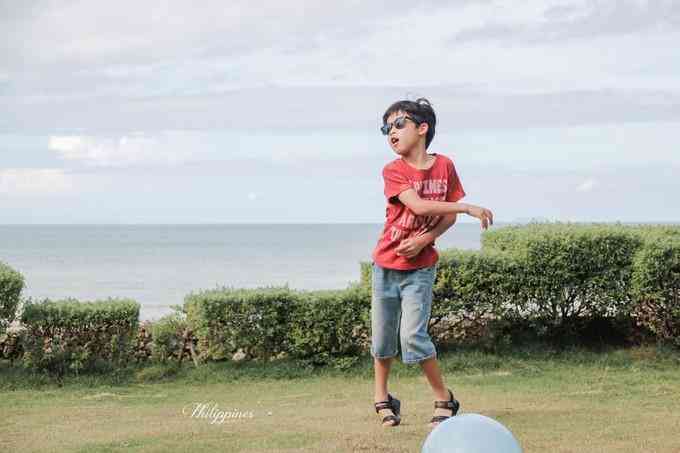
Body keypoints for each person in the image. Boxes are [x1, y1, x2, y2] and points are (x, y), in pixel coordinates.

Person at [370, 97, 494, 428]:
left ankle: (444, 398)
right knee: (382, 339)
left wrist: (424, 240)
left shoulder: (445, 166)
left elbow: (445, 216)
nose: (391, 132)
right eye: (386, 128)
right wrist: (467, 208)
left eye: (399, 124)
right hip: (386, 265)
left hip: (421, 269)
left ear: (422, 128)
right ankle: (382, 398)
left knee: (412, 336)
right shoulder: (393, 170)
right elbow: (421, 207)